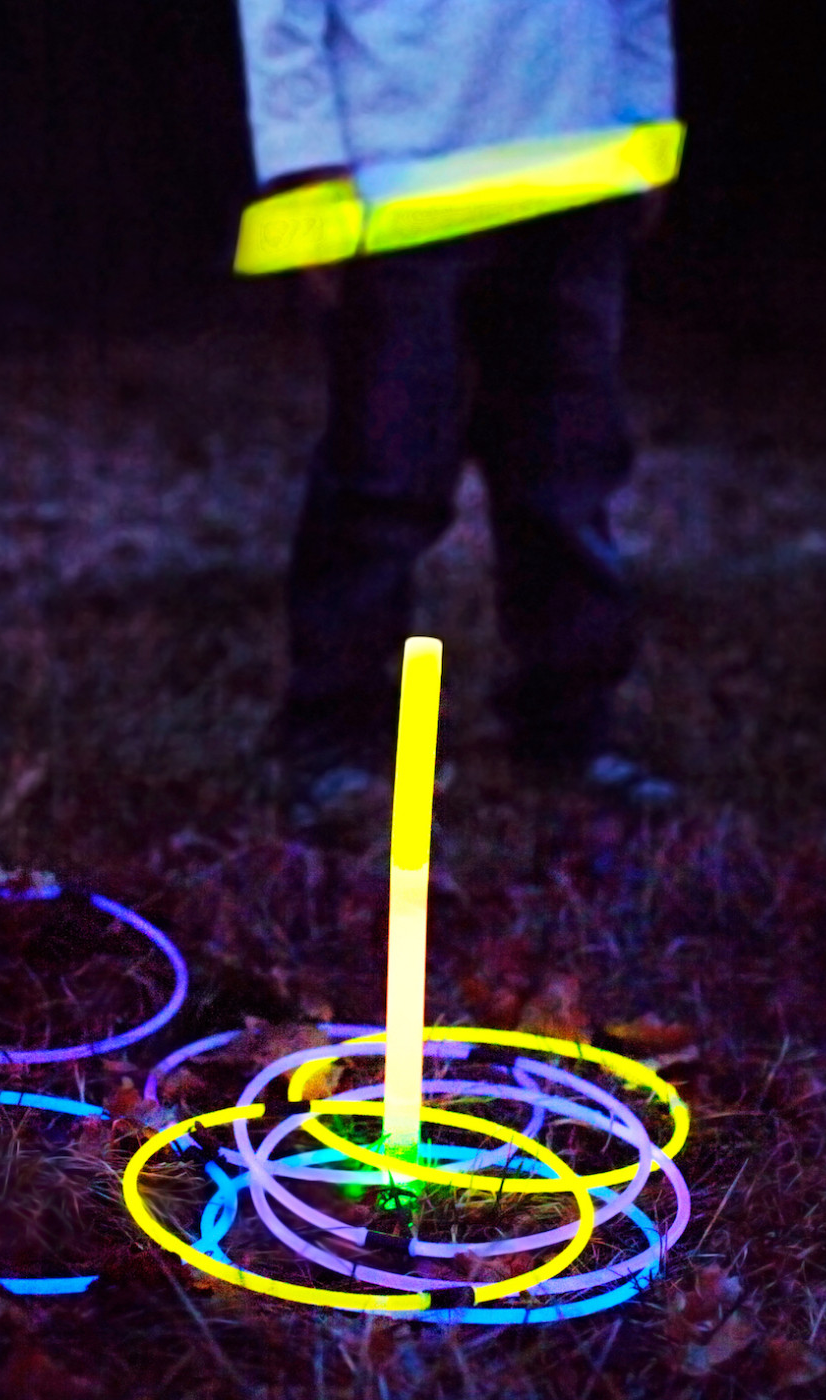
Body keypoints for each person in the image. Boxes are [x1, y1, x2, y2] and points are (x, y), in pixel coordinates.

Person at [235, 0, 682, 835]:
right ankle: (334, 748)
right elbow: (280, 14)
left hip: (576, 173)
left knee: (566, 476)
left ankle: (570, 733)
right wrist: (307, 167)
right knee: (383, 480)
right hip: (397, 184)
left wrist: (647, 120)